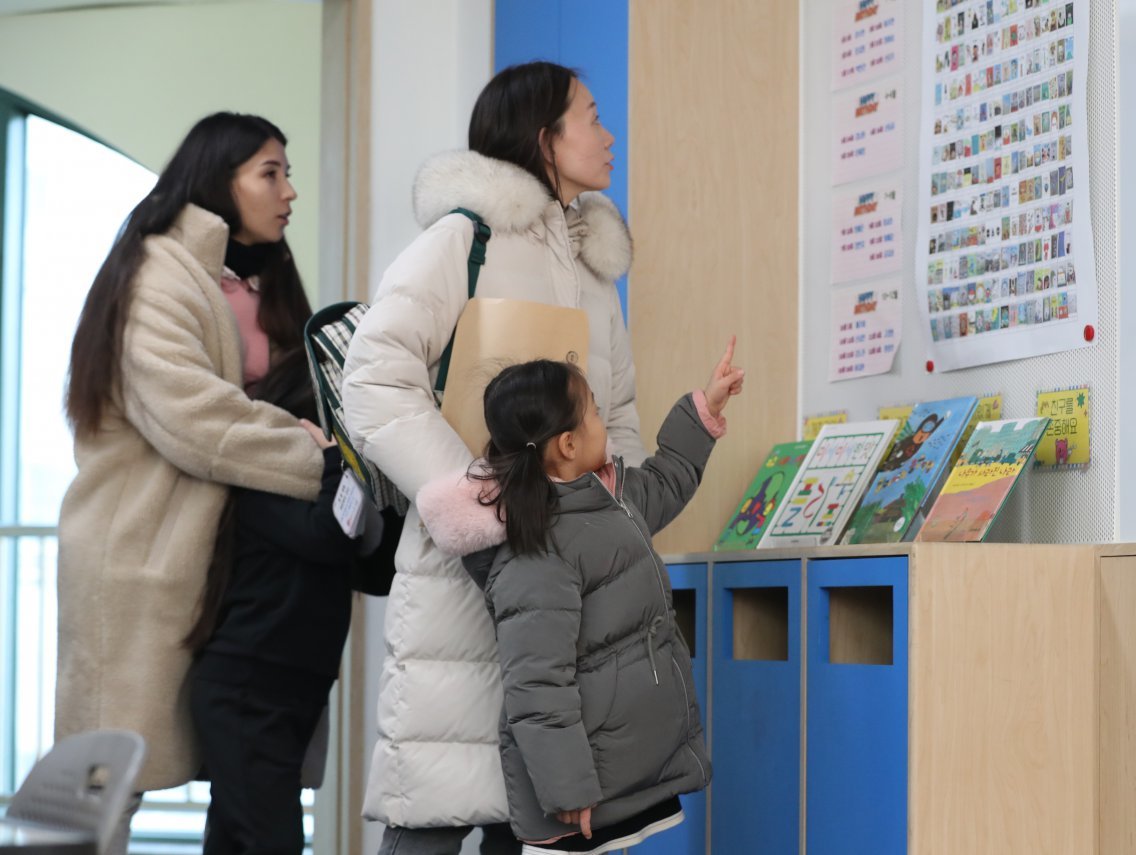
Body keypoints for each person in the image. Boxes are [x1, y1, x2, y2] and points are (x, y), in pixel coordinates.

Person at [342, 61, 645, 853]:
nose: (607, 135)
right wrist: (475, 501)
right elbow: (372, 378)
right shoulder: (463, 238)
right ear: (544, 136)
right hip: (462, 578)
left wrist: (613, 530)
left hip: (564, 585)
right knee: (432, 821)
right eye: (590, 116)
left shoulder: (591, 271)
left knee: (536, 825)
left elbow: (617, 418)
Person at [57, 112, 327, 854]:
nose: (289, 190)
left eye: (287, 171)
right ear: (219, 178)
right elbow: (195, 420)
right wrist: (320, 459)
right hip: (143, 560)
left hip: (237, 574)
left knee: (242, 792)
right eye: (270, 172)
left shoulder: (264, 279)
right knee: (109, 791)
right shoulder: (154, 272)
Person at [414, 342, 742, 853]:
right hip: (581, 798)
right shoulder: (537, 550)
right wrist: (566, 787)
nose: (601, 418)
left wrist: (707, 410)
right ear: (567, 445)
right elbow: (537, 684)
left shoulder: (610, 498)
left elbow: (668, 479)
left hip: (621, 776)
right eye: (593, 409)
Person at [185, 341, 398, 854]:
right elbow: (326, 536)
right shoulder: (261, 477)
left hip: (285, 691)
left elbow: (378, 572)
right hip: (246, 690)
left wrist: (384, 492)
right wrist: (333, 463)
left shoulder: (335, 484)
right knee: (271, 841)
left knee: (240, 840)